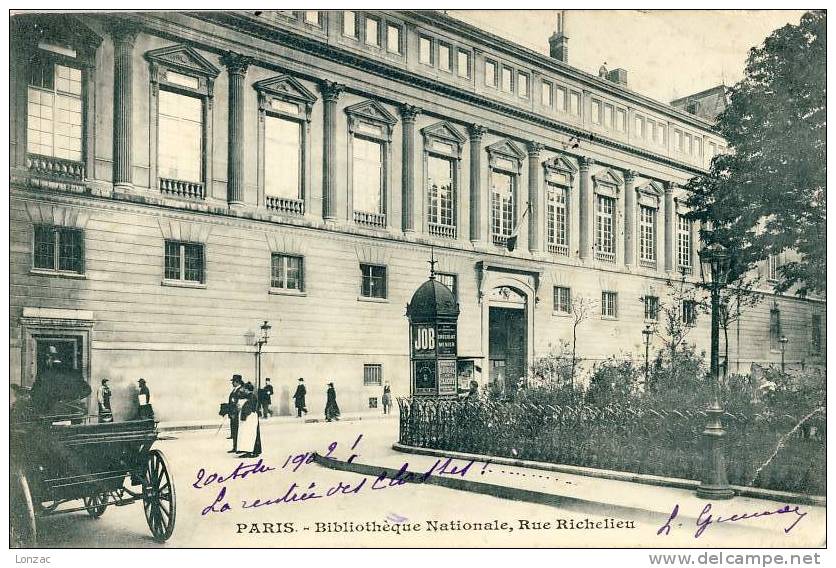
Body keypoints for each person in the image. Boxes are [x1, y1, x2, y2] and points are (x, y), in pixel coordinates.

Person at [30, 345, 91, 417]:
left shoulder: (44, 375)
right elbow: (87, 390)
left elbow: (35, 394)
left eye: (46, 358)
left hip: (50, 414)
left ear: (49, 358)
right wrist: (74, 399)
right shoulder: (74, 372)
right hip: (72, 414)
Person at [237, 382, 262, 458]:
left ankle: (251, 451)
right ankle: (248, 450)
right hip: (249, 417)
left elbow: (249, 408)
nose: (243, 390)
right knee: (247, 434)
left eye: (245, 388)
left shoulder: (251, 396)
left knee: (250, 434)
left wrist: (242, 409)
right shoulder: (249, 396)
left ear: (247, 389)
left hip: (250, 417)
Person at [225, 374, 244, 453]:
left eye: (233, 381)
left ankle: (237, 447)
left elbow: (239, 402)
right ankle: (235, 447)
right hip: (232, 414)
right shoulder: (235, 389)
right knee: (234, 430)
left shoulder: (240, 390)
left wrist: (234, 412)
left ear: (237, 382)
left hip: (236, 414)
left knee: (237, 431)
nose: (232, 383)